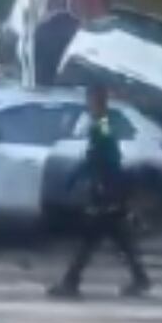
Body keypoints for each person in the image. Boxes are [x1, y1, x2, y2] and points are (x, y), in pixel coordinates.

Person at [49, 84, 152, 299]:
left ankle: (71, 283)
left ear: (97, 102)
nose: (88, 105)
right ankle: (140, 278)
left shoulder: (102, 125)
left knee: (90, 239)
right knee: (119, 237)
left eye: (91, 101)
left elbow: (105, 155)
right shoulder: (102, 124)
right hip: (109, 190)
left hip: (105, 191)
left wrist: (86, 177)